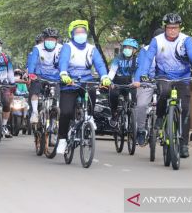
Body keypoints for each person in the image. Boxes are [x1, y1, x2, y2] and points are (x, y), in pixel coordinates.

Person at [135, 13, 192, 158]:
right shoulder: (157, 40)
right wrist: (143, 73)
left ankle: (184, 144)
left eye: (175, 28)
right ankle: (160, 117)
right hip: (164, 76)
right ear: (165, 27)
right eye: (169, 28)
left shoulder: (186, 40)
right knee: (164, 91)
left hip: (183, 78)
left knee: (185, 109)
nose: (173, 30)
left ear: (180, 28)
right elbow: (148, 58)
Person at [57, 20, 111, 154]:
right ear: (72, 34)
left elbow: (99, 64)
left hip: (86, 80)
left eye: (83, 32)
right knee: (65, 112)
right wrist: (63, 73)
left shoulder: (92, 48)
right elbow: (63, 61)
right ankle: (62, 140)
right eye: (77, 32)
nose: (81, 34)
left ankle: (90, 117)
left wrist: (104, 76)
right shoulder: (67, 47)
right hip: (69, 82)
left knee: (92, 90)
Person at [135, 28, 164, 146]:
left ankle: (167, 123)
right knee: (141, 105)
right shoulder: (145, 50)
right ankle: (141, 130)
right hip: (147, 81)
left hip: (164, 81)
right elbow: (141, 67)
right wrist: (138, 80)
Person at [27, 28, 62, 123]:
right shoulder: (37, 48)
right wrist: (31, 73)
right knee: (35, 89)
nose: (50, 41)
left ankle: (55, 119)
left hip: (56, 77)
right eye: (48, 39)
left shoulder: (61, 48)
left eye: (52, 39)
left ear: (56, 40)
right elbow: (32, 62)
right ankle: (34, 112)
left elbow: (65, 63)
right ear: (44, 39)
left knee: (58, 96)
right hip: (40, 76)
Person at [107, 38, 139, 129]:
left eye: (130, 48)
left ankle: (132, 119)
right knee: (113, 95)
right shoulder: (118, 58)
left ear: (134, 50)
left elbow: (137, 73)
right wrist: (109, 80)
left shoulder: (137, 60)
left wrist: (135, 82)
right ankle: (114, 115)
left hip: (131, 83)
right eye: (126, 47)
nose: (127, 49)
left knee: (134, 100)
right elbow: (112, 71)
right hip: (118, 82)